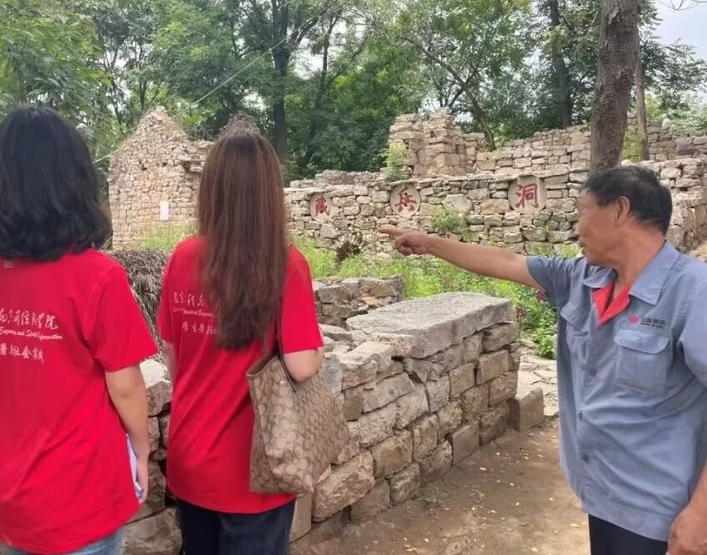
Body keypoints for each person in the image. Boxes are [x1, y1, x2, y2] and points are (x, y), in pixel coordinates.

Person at [381, 165, 707, 555]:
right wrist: (429, 243)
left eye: (582, 213)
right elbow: (508, 261)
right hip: (602, 491)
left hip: (661, 508)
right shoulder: (583, 279)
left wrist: (701, 513)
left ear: (620, 210)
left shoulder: (693, 292)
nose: (576, 229)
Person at [0, 107, 157, 555]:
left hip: (10, 494)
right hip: (80, 497)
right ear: (73, 181)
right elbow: (126, 387)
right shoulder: (97, 277)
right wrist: (142, 451)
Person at [157, 131, 325, 555]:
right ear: (269, 194)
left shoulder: (182, 257)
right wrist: (319, 349)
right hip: (255, 469)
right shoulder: (285, 265)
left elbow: (174, 361)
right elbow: (301, 365)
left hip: (192, 457)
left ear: (211, 190)